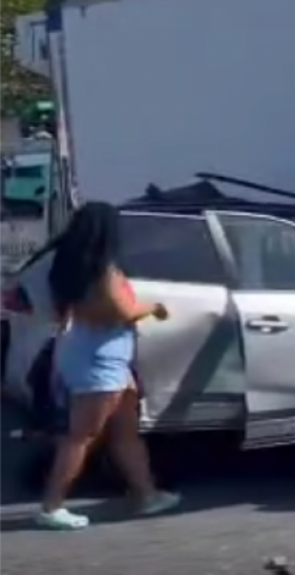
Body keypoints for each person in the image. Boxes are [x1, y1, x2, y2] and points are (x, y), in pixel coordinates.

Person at [37, 201, 180, 530]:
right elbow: (121, 311)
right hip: (99, 361)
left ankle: (148, 495)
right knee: (81, 436)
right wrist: (154, 308)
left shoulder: (71, 266)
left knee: (125, 432)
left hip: (98, 356)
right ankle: (51, 506)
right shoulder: (103, 270)